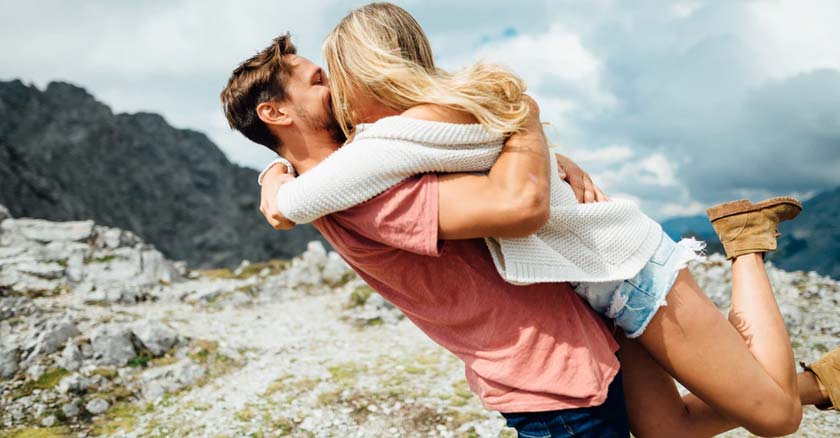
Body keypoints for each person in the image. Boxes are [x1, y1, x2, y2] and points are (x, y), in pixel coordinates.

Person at [223, 5, 839, 436]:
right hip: (594, 287)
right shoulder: (390, 149)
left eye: (331, 71)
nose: (333, 87)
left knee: (775, 418)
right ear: (276, 111)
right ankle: (818, 382)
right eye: (316, 80)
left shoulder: (386, 146)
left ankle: (746, 243)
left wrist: (277, 188)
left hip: (623, 269)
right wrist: (272, 176)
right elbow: (483, 160)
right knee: (667, 432)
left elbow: (517, 204)